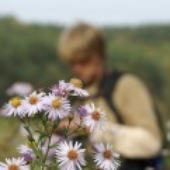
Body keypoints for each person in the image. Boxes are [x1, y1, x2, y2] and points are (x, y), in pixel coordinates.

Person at [57, 23, 163, 170]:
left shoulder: (126, 85)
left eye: (83, 61)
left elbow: (151, 142)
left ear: (99, 55)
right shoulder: (80, 94)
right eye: (72, 63)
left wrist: (93, 129)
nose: (77, 69)